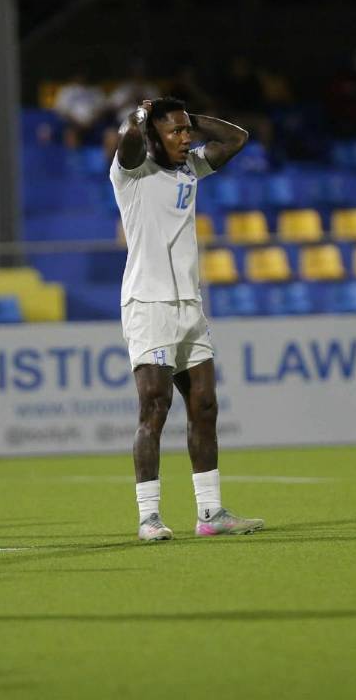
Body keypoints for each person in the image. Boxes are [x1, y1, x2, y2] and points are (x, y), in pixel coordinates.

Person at [110, 96, 263, 542]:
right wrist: (143, 117)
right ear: (153, 134)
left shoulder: (189, 167)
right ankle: (148, 516)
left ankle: (211, 513)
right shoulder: (131, 173)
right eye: (175, 132)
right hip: (148, 305)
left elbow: (237, 138)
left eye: (186, 130)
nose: (186, 138)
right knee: (154, 408)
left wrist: (187, 117)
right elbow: (130, 145)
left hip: (188, 305)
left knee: (206, 407)